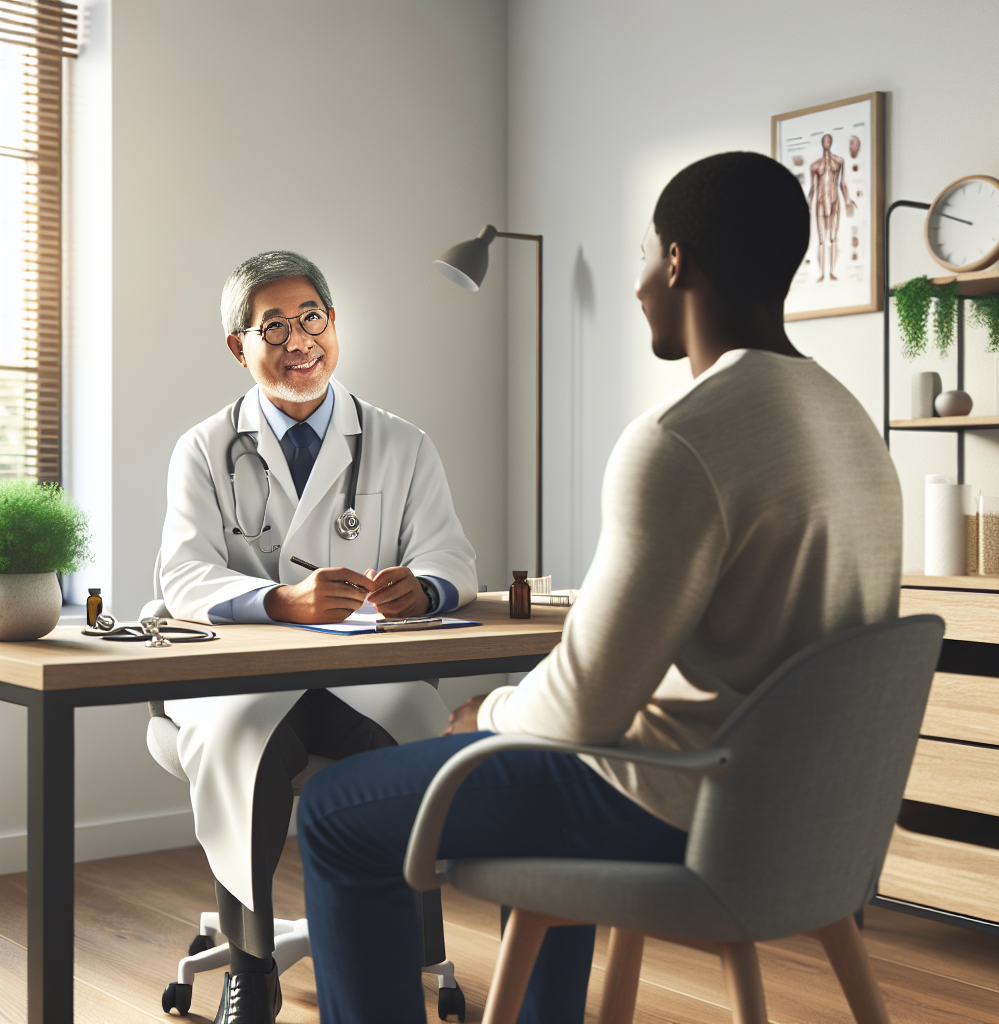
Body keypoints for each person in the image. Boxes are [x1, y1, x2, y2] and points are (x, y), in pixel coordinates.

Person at [297, 152, 902, 1024]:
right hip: (804, 821)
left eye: (645, 257)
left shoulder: (682, 438)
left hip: (675, 801)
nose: (637, 284)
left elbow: (581, 713)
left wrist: (487, 713)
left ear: (678, 263)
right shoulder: (852, 424)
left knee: (332, 808)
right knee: (536, 770)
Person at [157, 251, 477, 1023]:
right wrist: (277, 601)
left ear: (335, 326)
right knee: (246, 745)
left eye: (312, 318)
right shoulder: (204, 448)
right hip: (239, 676)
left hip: (360, 670)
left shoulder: (402, 442)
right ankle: (249, 962)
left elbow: (452, 558)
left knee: (407, 748)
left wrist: (422, 588)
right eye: (275, 325)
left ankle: (404, 947)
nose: (300, 339)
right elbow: (183, 577)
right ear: (240, 346)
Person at [807, 133, 856, 281]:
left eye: (829, 140)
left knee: (833, 237)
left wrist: (847, 199)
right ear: (822, 143)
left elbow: (842, 182)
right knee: (822, 238)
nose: (827, 142)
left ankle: (832, 271)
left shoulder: (838, 161)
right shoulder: (815, 165)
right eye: (825, 140)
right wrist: (807, 205)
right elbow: (813, 187)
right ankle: (822, 273)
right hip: (821, 200)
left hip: (834, 198)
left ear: (831, 142)